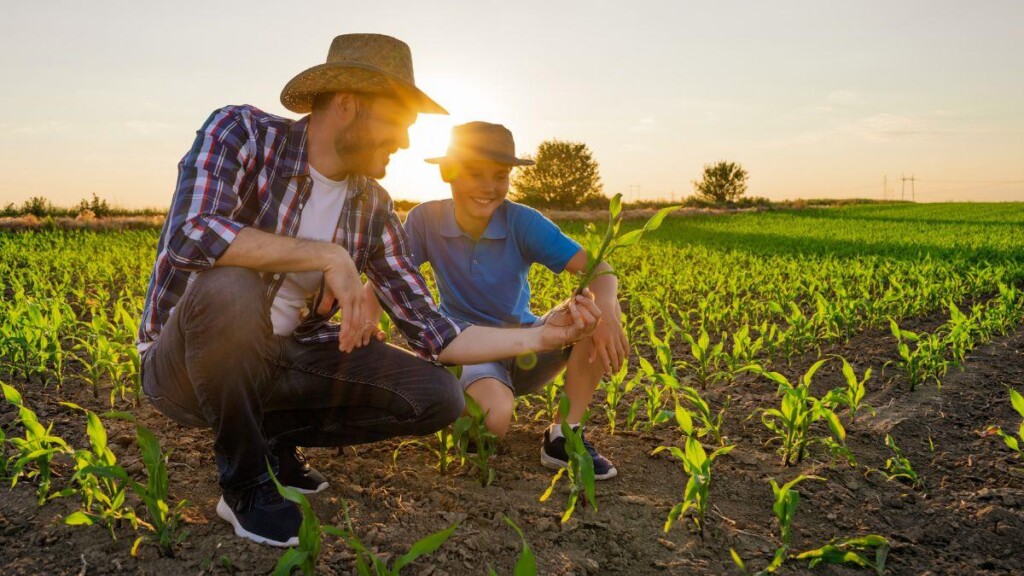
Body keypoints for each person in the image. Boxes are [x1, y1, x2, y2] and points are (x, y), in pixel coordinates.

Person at [136, 34, 601, 548]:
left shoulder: (372, 206)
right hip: (184, 366)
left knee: (437, 395)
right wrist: (325, 255)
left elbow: (435, 331)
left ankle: (272, 440)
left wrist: (543, 337)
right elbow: (190, 233)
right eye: (399, 124)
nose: (404, 142)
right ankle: (245, 487)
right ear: (348, 105)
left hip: (283, 361)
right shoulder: (241, 132)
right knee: (230, 285)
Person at [397, 121, 629, 480]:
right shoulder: (425, 220)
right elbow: (389, 277)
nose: (490, 188)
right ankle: (454, 402)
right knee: (491, 424)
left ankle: (564, 437)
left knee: (590, 315)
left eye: (501, 175)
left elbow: (598, 267)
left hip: (528, 344)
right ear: (448, 172)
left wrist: (609, 311)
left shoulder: (522, 221)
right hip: (471, 349)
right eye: (476, 173)